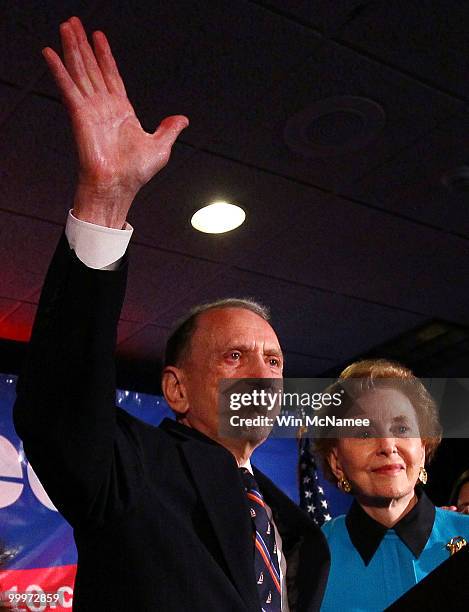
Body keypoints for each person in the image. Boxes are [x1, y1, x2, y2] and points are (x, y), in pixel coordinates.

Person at [13, 16, 329, 612]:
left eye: (275, 360)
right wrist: (105, 199)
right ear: (175, 388)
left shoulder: (298, 532)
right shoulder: (129, 470)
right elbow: (58, 407)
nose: (264, 375)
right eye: (235, 356)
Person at [312, 359, 469, 611]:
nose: (387, 445)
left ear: (423, 447)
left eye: (402, 428)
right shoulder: (312, 558)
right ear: (336, 461)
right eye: (364, 433)